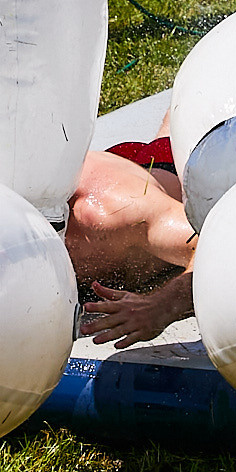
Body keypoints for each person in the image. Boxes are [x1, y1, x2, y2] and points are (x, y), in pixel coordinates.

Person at [68, 142, 198, 348]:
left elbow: (212, 245)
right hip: (130, 165)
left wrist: (161, 307)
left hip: (165, 171)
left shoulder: (117, 209)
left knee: (177, 134)